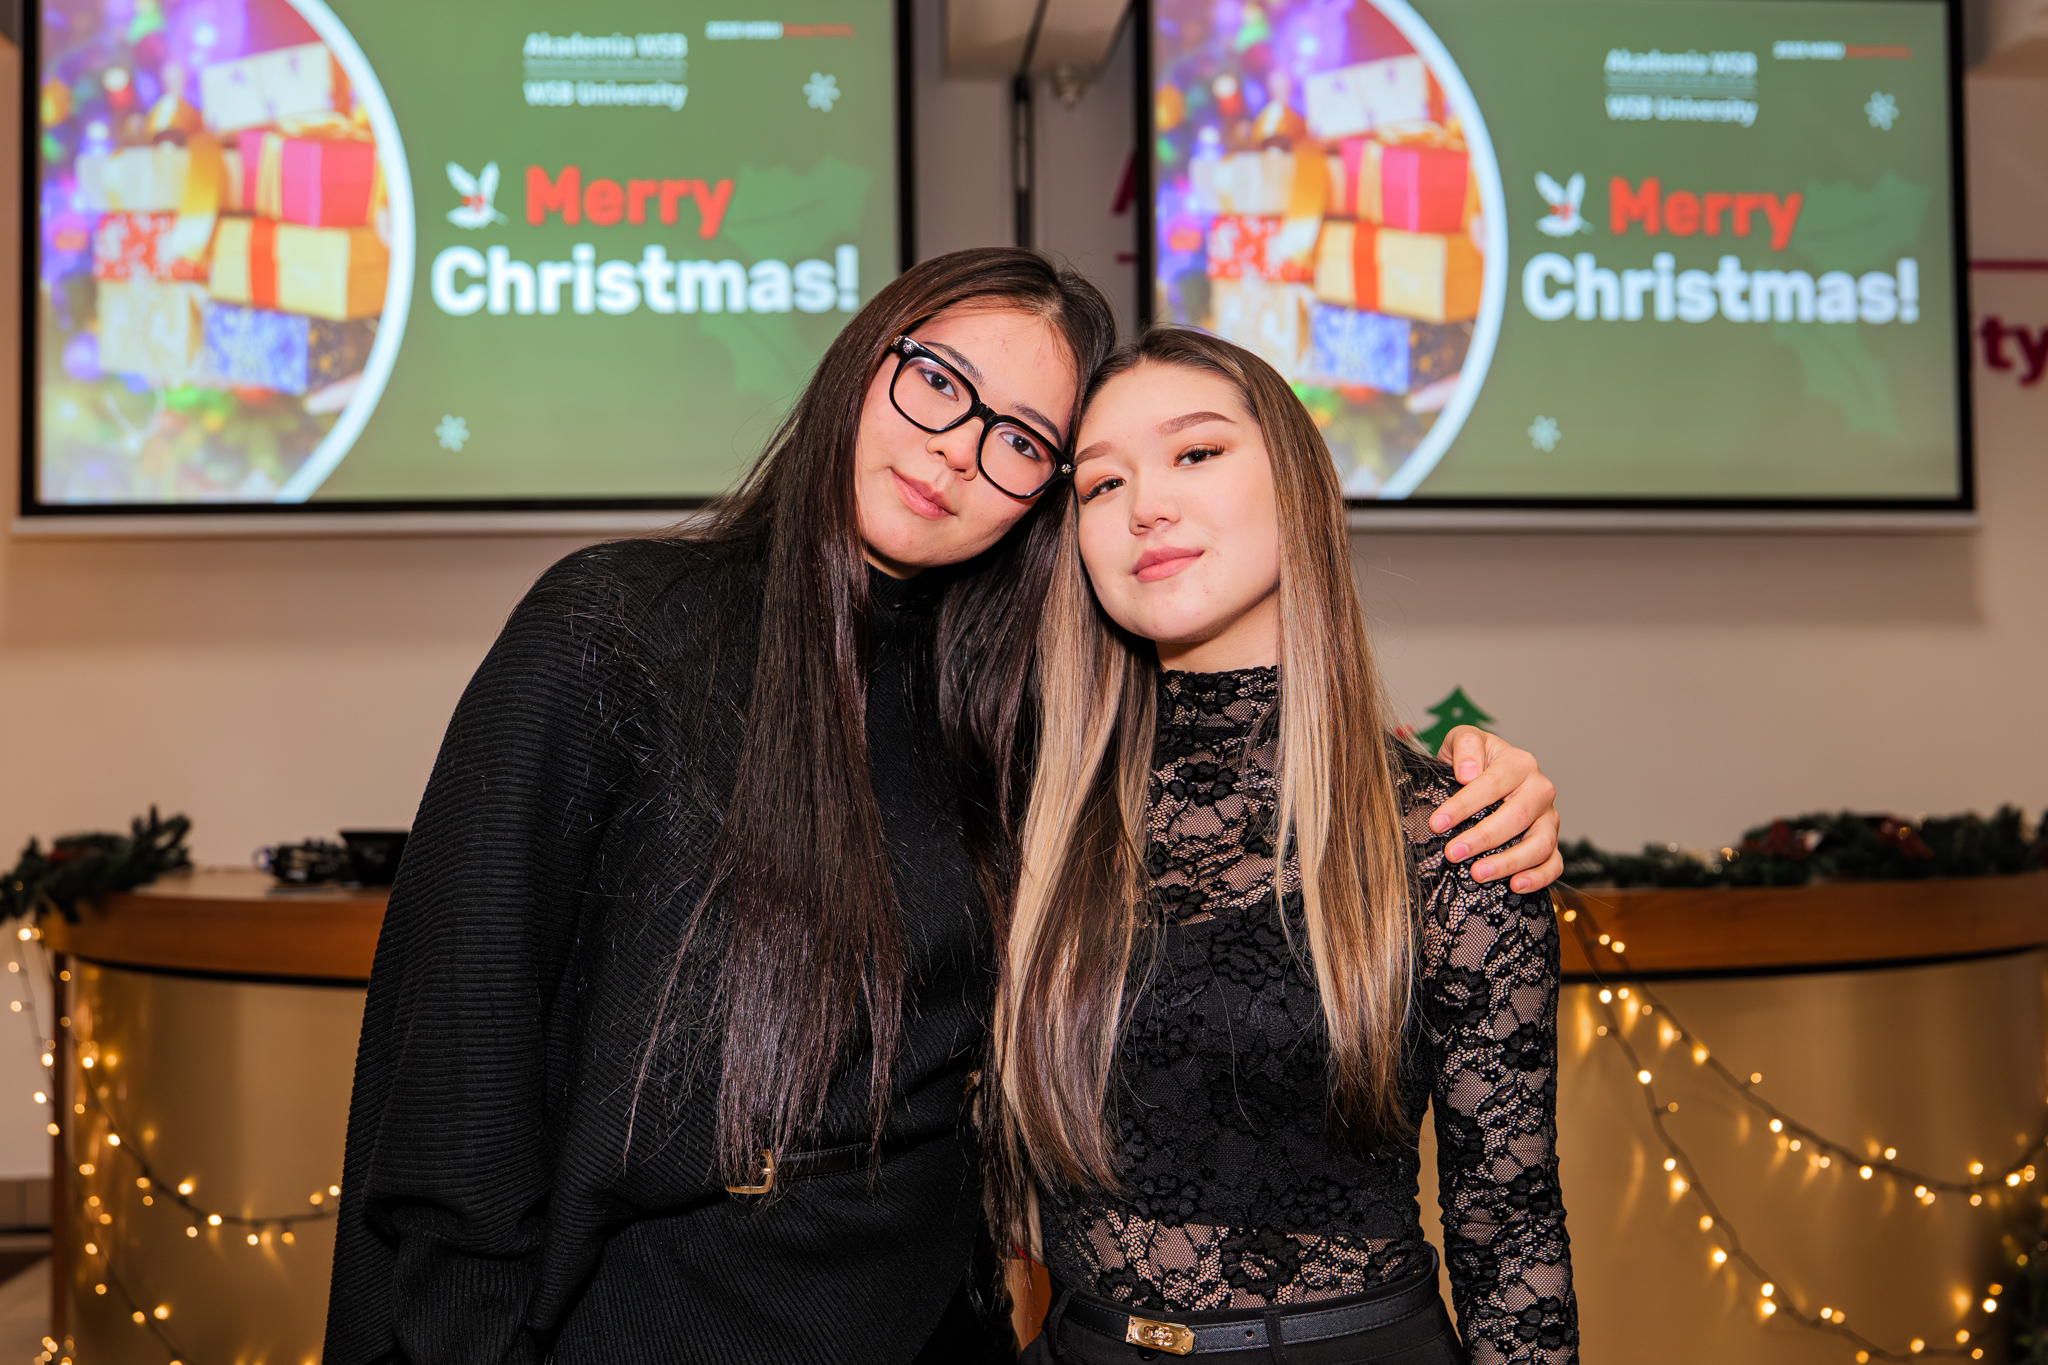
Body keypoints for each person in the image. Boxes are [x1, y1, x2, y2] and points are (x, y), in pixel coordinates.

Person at [323, 250, 1565, 1365]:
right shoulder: (615, 629)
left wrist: (1461, 776)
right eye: (936, 382)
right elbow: (455, 1068)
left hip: (936, 1324)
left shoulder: (1004, 717)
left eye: (1021, 440)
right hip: (659, 1319)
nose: (956, 449)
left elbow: (1258, 770)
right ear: (862, 362)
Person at [997, 328, 1576, 1364]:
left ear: (1299, 488)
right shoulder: (1026, 819)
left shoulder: (1450, 831)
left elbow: (1509, 1231)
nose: (1145, 505)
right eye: (1100, 483)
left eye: (1196, 452)